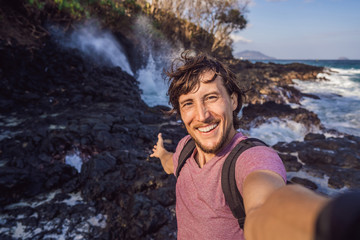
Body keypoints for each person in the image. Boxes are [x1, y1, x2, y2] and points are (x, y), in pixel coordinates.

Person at [150, 51, 329, 240]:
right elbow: (171, 164)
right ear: (180, 112)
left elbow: (265, 207)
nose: (202, 116)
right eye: (188, 103)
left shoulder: (253, 158)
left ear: (233, 100)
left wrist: (329, 223)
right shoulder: (185, 148)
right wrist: (161, 153)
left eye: (211, 97)